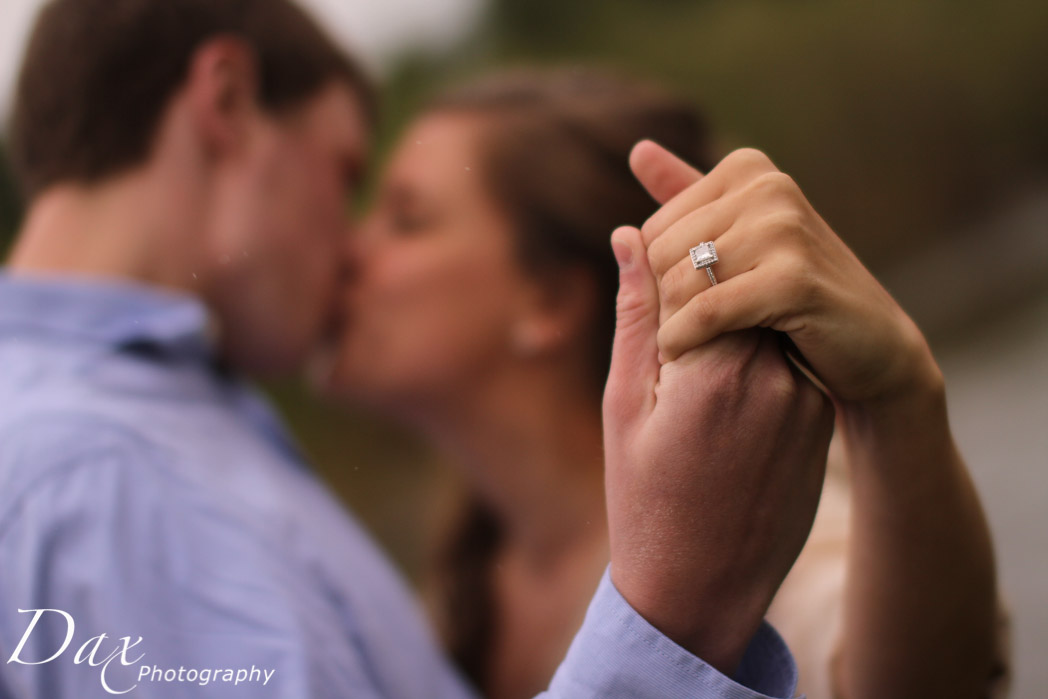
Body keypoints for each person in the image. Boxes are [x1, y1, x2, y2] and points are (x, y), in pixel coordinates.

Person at [0, 1, 834, 697]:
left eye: (402, 216)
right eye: (344, 172)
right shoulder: (105, 477)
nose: (348, 249)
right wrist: (671, 625)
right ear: (225, 101)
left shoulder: (135, 440)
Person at [323, 69, 1007, 698]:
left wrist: (899, 396)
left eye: (405, 219)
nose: (350, 249)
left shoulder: (754, 542)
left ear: (550, 300)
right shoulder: (444, 599)